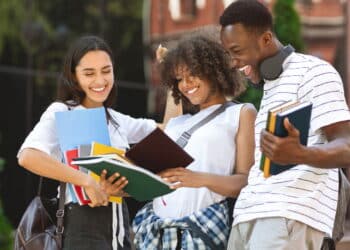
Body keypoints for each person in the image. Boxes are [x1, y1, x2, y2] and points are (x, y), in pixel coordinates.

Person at [17, 35, 179, 250]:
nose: (100, 81)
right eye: (89, 73)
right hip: (81, 227)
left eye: (106, 70)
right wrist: (87, 182)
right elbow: (28, 156)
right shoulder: (63, 111)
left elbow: (172, 130)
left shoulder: (116, 120)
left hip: (119, 229)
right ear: (74, 77)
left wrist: (172, 79)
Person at [219, 1, 350, 249]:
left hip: (287, 215)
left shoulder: (314, 72)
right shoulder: (270, 90)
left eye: (237, 51)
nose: (233, 62)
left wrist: (301, 154)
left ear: (266, 39)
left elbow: (347, 145)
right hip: (247, 217)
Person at [132, 35, 257, 249]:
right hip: (158, 233)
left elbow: (246, 183)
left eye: (192, 75)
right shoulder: (177, 123)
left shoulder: (240, 113)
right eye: (179, 79)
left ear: (214, 71)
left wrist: (197, 178)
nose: (186, 84)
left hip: (201, 232)